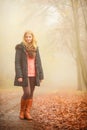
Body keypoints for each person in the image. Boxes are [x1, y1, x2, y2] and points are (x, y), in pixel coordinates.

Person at [14, 31, 44, 120]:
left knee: (31, 94)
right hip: (24, 75)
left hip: (34, 74)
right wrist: (19, 75)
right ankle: (22, 111)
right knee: (27, 93)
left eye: (30, 37)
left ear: (32, 37)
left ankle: (27, 113)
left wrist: (41, 75)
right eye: (26, 37)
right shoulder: (20, 48)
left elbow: (39, 62)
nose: (28, 38)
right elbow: (17, 62)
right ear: (24, 37)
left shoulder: (35, 48)